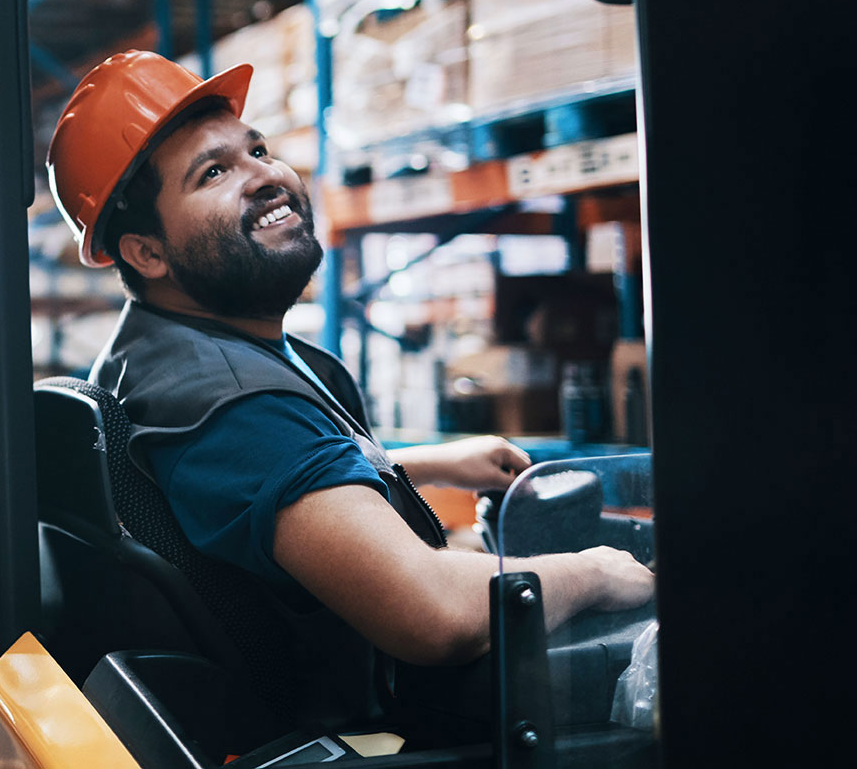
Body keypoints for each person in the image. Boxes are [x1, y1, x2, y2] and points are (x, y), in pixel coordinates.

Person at [45, 51, 654, 677]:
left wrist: (421, 463)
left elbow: (264, 482)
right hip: (374, 722)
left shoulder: (162, 352)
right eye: (212, 174)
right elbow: (432, 614)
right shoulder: (231, 404)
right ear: (146, 252)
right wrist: (593, 572)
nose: (261, 176)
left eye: (257, 151)